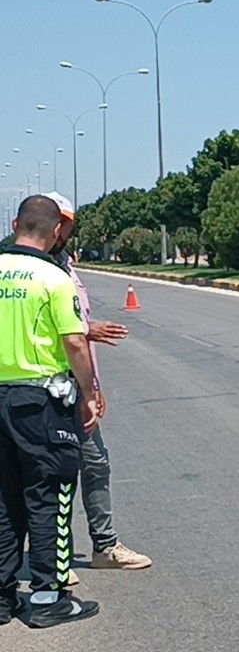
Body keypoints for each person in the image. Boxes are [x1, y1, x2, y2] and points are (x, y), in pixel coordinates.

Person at [0, 195, 103, 628]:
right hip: (41, 404)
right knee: (49, 501)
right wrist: (89, 391)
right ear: (56, 230)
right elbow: (75, 341)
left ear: (16, 223)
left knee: (4, 503)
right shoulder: (53, 278)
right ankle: (47, 597)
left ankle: (3, 600)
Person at [40, 193, 151, 580]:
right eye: (60, 221)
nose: (64, 229)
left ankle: (105, 546)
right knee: (51, 473)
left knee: (95, 464)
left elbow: (71, 327)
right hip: (42, 387)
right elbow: (59, 330)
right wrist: (88, 331)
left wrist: (93, 388)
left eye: (68, 222)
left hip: (76, 382)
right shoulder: (33, 269)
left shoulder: (66, 266)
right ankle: (53, 561)